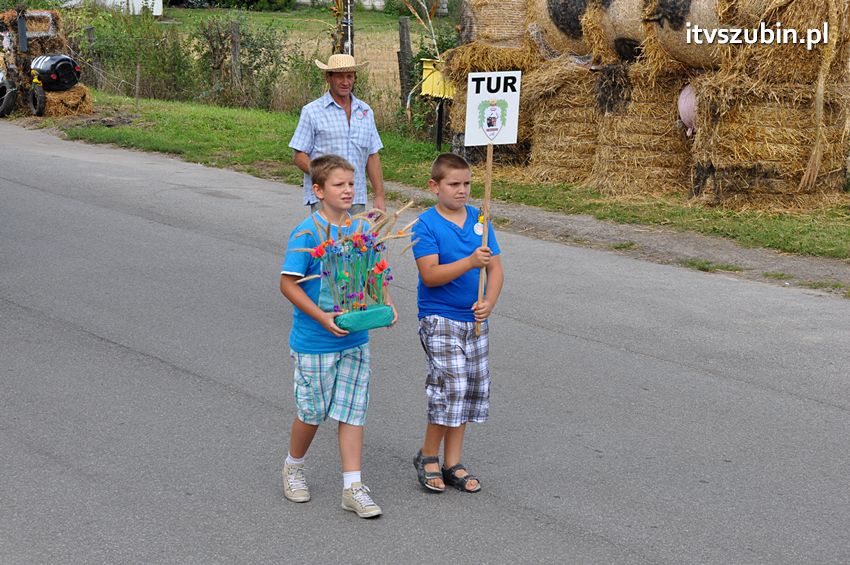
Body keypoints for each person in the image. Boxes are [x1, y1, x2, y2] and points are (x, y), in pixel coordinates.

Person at [279, 154, 397, 518]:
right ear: (317, 190)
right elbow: (288, 284)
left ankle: (352, 486)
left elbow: (373, 274)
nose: (348, 191)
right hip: (315, 341)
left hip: (354, 339)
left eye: (352, 184)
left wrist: (385, 305)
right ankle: (294, 466)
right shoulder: (306, 232)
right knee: (312, 412)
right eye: (339, 185)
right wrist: (321, 317)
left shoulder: (361, 229)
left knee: (353, 411)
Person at [410, 153, 504, 493]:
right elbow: (431, 275)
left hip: (473, 319)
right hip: (439, 318)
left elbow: (495, 269)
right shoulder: (425, 226)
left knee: (470, 389)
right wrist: (468, 261)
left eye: (466, 184)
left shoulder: (481, 220)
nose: (462, 190)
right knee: (451, 387)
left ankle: (453, 461)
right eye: (454, 184)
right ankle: (428, 454)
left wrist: (489, 302)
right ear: (435, 187)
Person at [289, 53, 386, 215]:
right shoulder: (312, 112)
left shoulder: (365, 111)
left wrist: (379, 196)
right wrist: (323, 176)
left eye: (349, 76)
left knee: (356, 241)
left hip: (356, 198)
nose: (345, 82)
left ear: (355, 78)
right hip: (325, 198)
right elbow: (299, 156)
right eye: (340, 76)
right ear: (328, 77)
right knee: (328, 241)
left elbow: (372, 156)